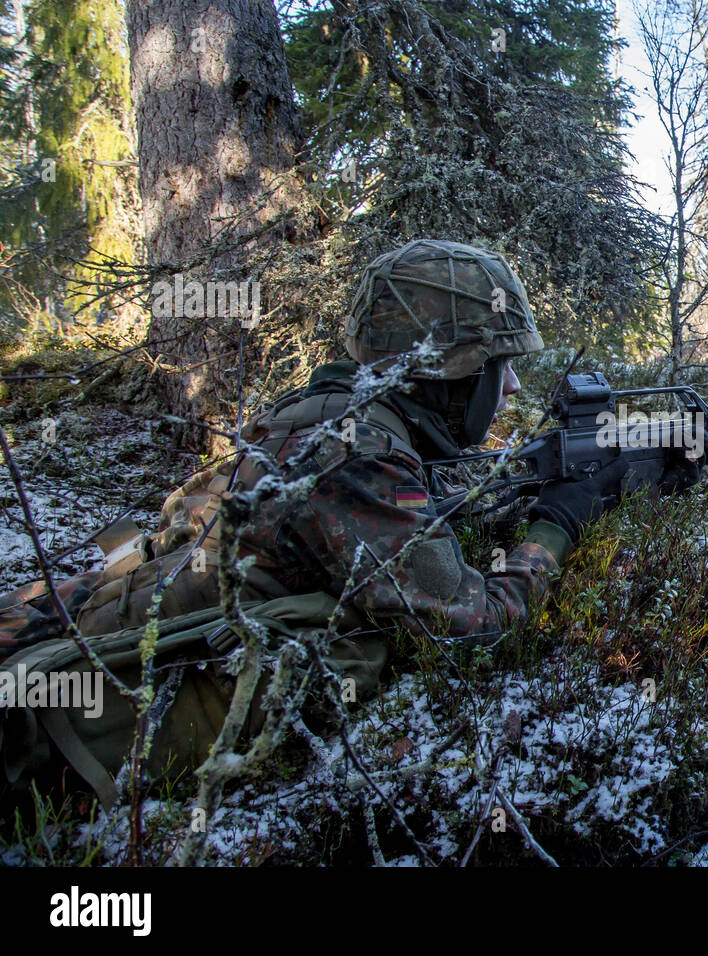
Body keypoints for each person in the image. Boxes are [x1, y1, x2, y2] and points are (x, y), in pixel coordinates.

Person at [0, 239, 652, 806]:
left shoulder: (317, 412)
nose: (509, 388)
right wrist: (558, 523)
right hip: (71, 748)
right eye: (497, 367)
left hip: (85, 661)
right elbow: (475, 624)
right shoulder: (357, 456)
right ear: (448, 374)